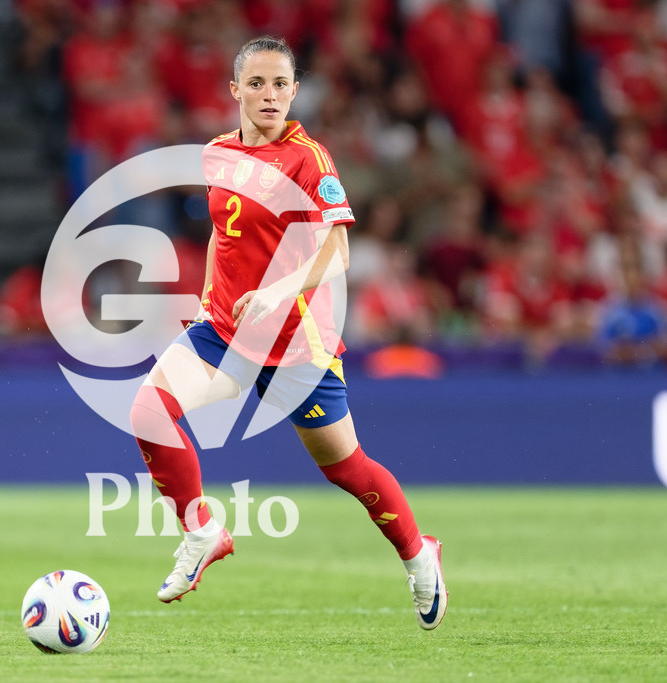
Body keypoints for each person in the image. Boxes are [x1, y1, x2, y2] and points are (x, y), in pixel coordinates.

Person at [129, 37, 447, 630]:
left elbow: (340, 250)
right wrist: (206, 302)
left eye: (280, 84)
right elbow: (223, 236)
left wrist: (278, 291)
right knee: (148, 410)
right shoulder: (217, 155)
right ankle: (202, 532)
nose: (269, 95)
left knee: (345, 467)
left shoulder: (309, 159)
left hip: (297, 342)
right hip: (225, 329)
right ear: (236, 91)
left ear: (295, 90)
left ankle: (417, 552)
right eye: (257, 84)